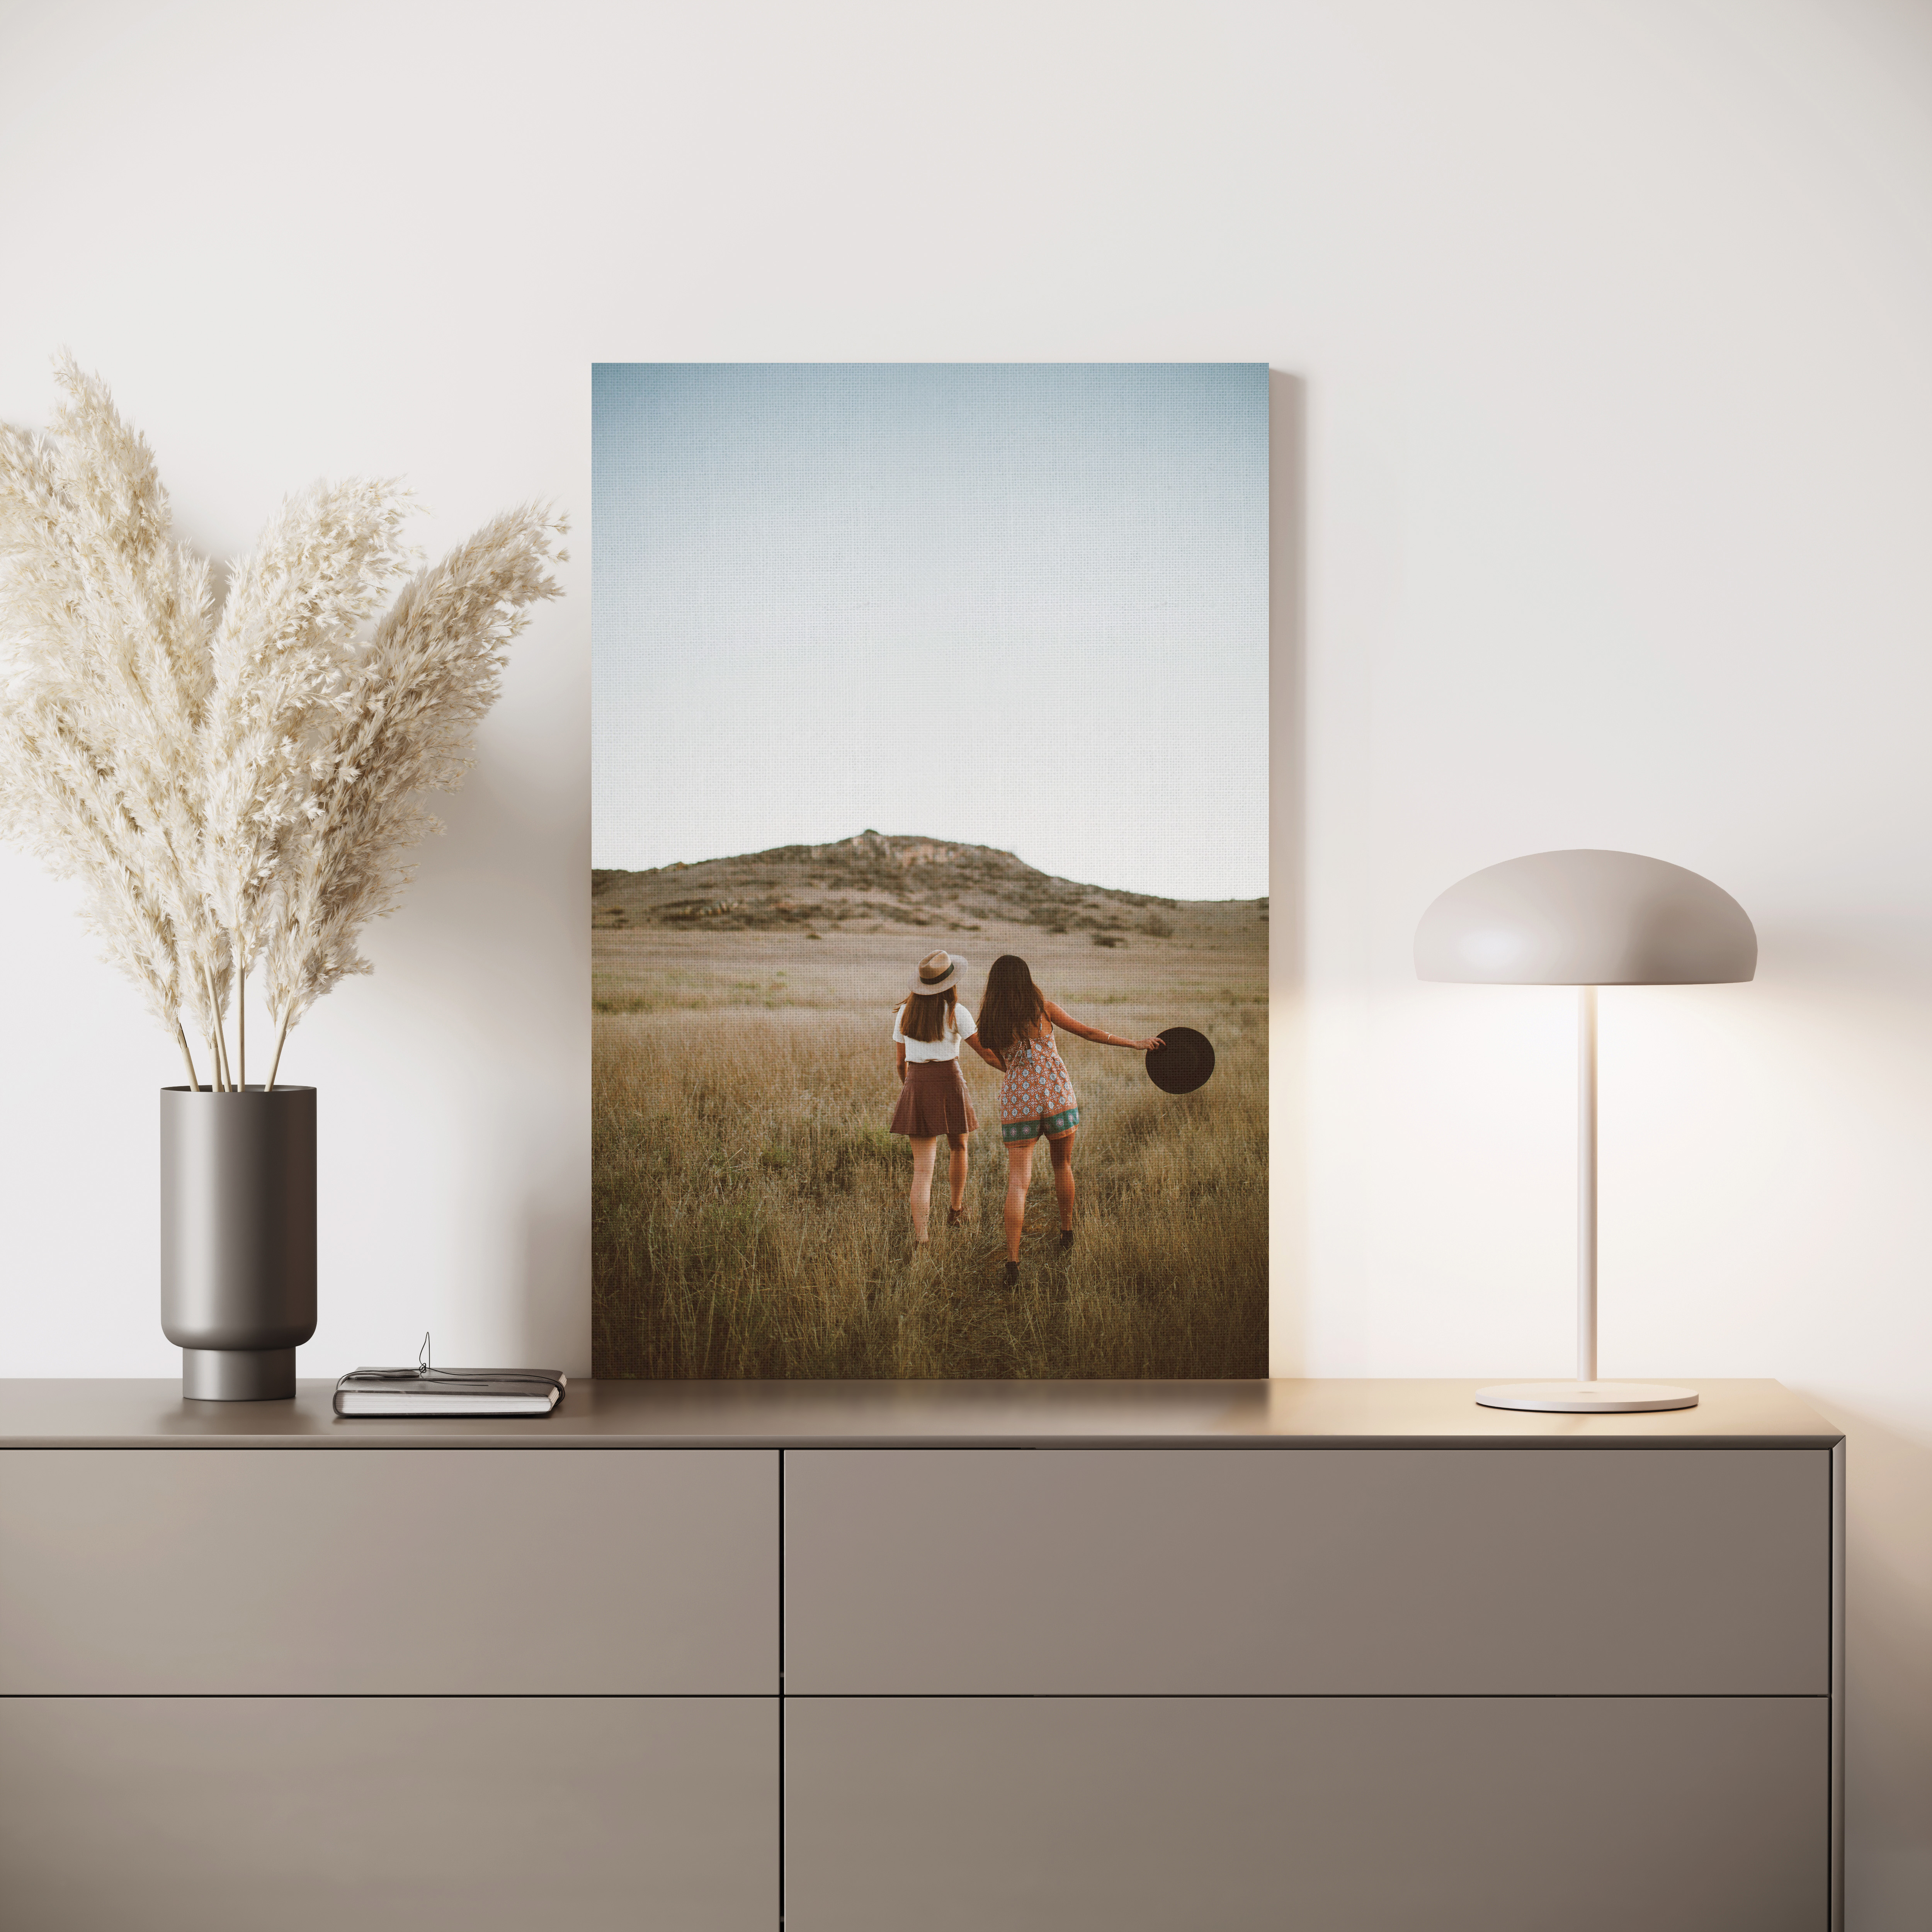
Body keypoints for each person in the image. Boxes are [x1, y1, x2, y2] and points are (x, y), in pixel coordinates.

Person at [972, 954, 1162, 1284]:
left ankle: (1013, 1265)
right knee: (1063, 1165)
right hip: (1057, 1094)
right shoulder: (1044, 1008)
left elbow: (992, 1055)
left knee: (1018, 1182)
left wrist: (1017, 1073)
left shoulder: (989, 1021)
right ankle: (1067, 1232)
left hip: (1019, 1100)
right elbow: (1088, 1032)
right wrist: (1135, 1043)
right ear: (1026, 979)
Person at [888, 950, 985, 1248]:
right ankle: (956, 1211)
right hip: (951, 1082)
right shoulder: (957, 1012)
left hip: (917, 1083)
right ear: (950, 983)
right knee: (960, 1146)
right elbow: (984, 1051)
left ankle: (923, 1240)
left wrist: (913, 1089)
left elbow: (899, 1062)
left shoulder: (906, 1012)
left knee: (923, 1170)